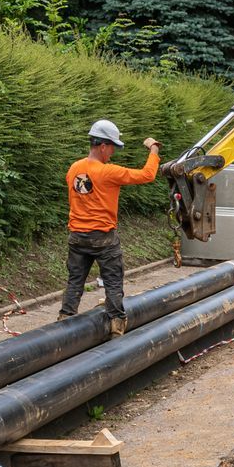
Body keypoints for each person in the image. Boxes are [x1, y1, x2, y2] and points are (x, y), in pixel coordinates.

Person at [63, 119, 160, 335]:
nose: (112, 153)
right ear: (103, 145)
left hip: (77, 236)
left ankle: (63, 325)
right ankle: (117, 327)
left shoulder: (74, 169)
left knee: (75, 282)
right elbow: (148, 175)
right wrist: (154, 150)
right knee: (113, 282)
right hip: (103, 237)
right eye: (112, 148)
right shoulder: (108, 172)